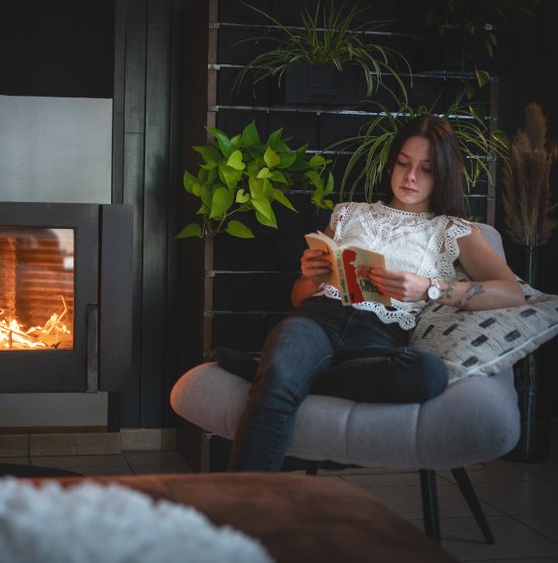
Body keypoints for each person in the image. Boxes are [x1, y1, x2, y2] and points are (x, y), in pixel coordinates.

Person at [223, 114, 525, 472]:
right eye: (403, 163)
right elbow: (299, 297)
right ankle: (241, 515)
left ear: (443, 174)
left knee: (426, 373)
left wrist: (430, 288)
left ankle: (279, 371)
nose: (410, 176)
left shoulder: (453, 229)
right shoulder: (349, 214)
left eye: (426, 169)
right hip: (318, 320)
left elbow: (511, 293)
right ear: (391, 163)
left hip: (379, 338)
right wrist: (311, 277)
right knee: (277, 386)